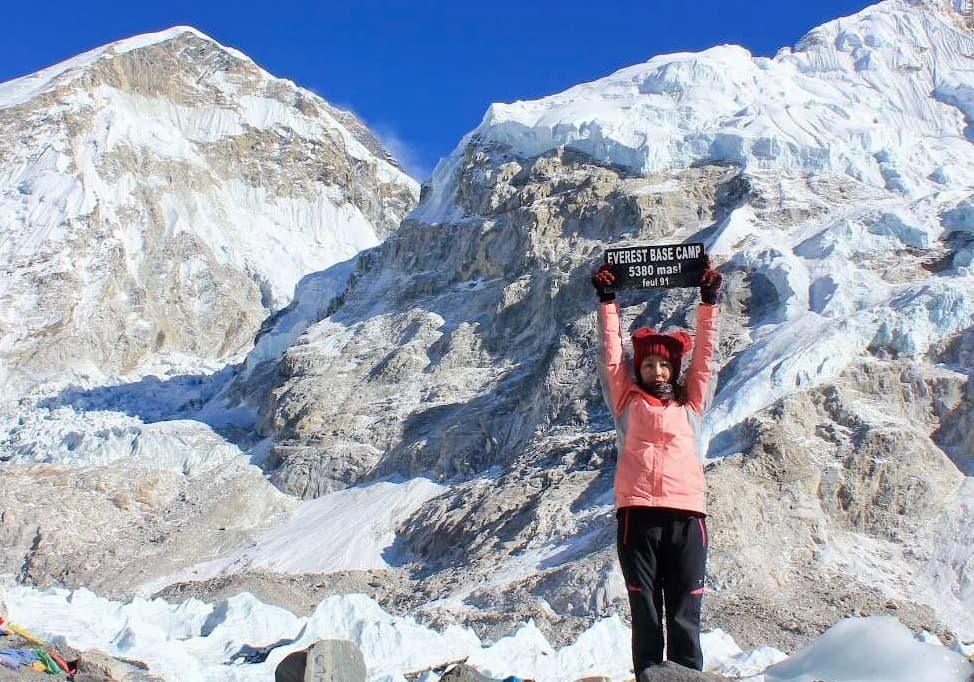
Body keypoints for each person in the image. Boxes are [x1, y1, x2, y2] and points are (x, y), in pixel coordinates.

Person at [591, 261, 723, 676]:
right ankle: (648, 676)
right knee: (644, 604)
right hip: (638, 514)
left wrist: (708, 303)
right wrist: (607, 301)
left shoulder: (691, 405)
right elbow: (611, 357)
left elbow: (705, 359)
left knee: (686, 603)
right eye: (648, 365)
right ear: (640, 369)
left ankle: (686, 675)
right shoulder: (626, 403)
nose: (656, 370)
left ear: (673, 369)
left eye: (664, 365)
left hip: (687, 516)